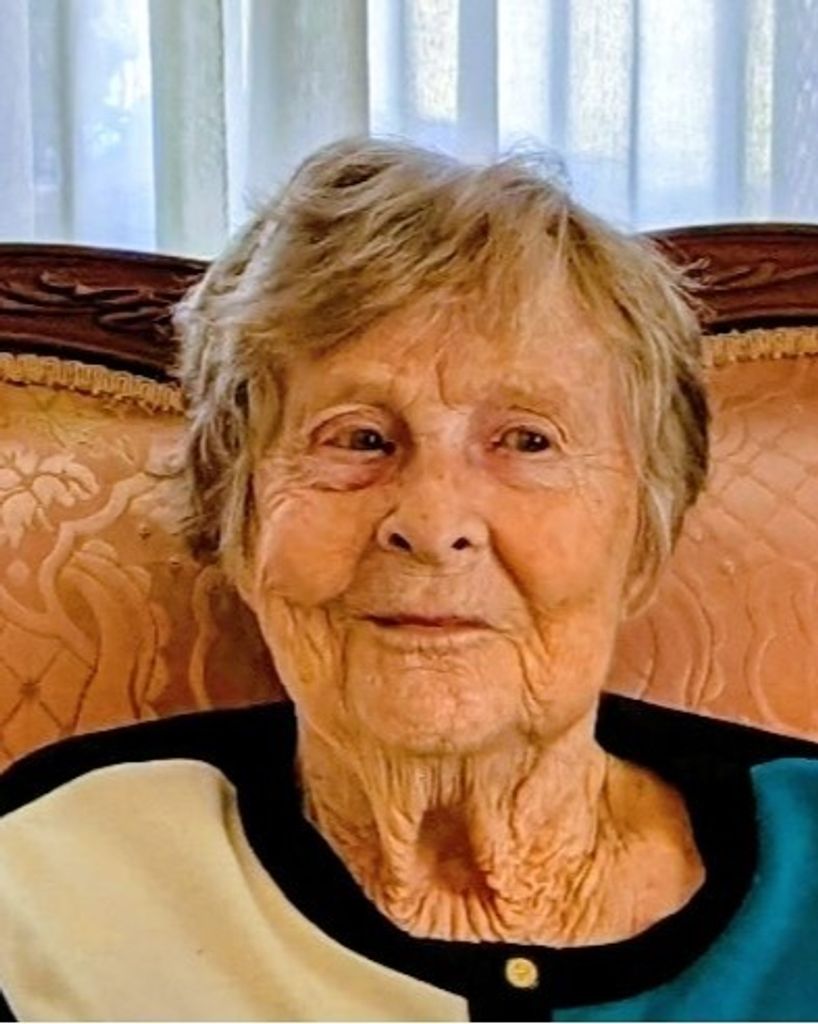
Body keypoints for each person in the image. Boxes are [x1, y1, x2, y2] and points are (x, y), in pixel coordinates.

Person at [2, 136, 818, 1023]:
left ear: (646, 533)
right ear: (238, 515)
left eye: (527, 441)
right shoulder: (52, 885)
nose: (432, 523)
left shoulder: (802, 862)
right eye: (358, 439)